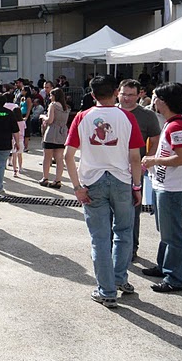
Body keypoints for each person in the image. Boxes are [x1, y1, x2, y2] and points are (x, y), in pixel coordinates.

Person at [64, 75, 144, 308]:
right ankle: (120, 279)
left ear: (92, 95)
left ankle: (106, 290)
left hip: (92, 182)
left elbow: (69, 155)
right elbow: (135, 158)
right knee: (124, 232)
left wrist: (77, 187)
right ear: (117, 92)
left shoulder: (82, 116)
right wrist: (137, 186)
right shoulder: (127, 117)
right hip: (121, 180)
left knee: (100, 239)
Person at [141, 83, 182, 293]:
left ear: (164, 101)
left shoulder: (176, 126)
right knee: (166, 230)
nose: (153, 101)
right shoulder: (172, 123)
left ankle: (175, 277)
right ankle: (164, 266)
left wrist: (153, 160)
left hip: (172, 187)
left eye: (155, 97)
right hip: (165, 185)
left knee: (172, 233)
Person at [117, 79, 160, 260]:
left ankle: (131, 247)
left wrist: (145, 162)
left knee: (133, 211)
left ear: (139, 94)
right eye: (123, 94)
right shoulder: (111, 112)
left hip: (134, 170)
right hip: (110, 170)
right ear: (117, 93)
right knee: (110, 211)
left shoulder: (147, 115)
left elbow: (156, 139)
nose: (126, 98)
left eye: (131, 95)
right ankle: (113, 245)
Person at [39, 88, 70, 189]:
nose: (50, 97)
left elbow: (50, 120)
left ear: (55, 96)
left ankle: (45, 178)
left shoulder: (53, 105)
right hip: (62, 133)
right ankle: (57, 180)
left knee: (47, 157)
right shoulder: (66, 108)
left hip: (52, 132)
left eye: (51, 95)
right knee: (59, 158)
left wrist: (43, 117)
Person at [11, 107, 25, 176]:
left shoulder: (13, 122)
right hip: (21, 139)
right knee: (20, 155)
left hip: (13, 140)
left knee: (14, 155)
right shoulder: (23, 122)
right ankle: (20, 168)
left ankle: (14, 170)